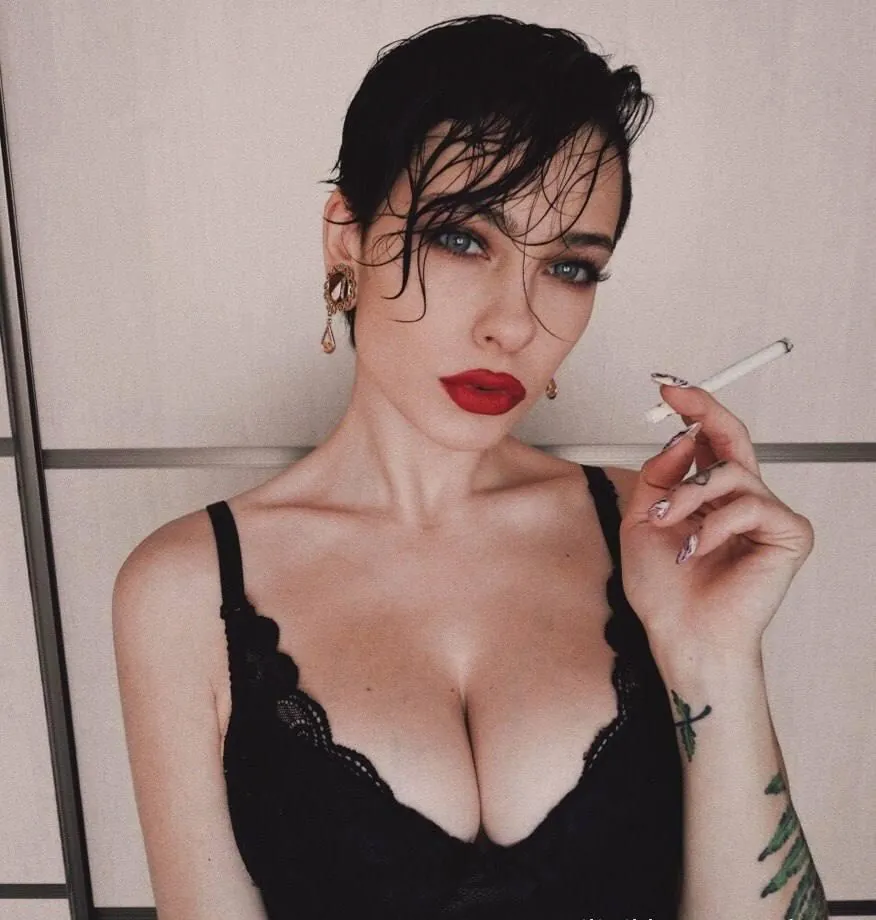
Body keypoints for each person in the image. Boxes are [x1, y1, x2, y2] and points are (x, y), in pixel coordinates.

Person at [112, 14, 828, 920]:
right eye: (460, 239)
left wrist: (715, 657)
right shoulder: (183, 590)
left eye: (570, 267)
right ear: (347, 239)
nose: (515, 323)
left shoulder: (656, 537)